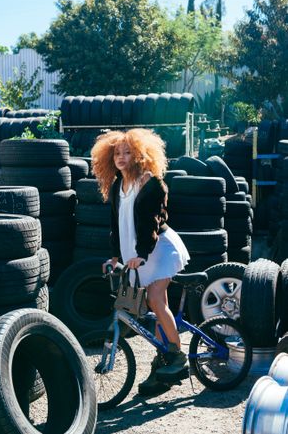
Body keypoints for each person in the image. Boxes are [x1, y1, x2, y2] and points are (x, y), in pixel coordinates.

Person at [91, 128, 190, 396]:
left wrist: (142, 254)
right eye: (116, 152)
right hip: (137, 253)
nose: (121, 157)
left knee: (156, 299)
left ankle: (177, 357)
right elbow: (116, 224)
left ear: (139, 155)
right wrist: (115, 256)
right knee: (155, 306)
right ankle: (163, 362)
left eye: (128, 152)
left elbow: (151, 223)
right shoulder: (116, 185)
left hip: (159, 249)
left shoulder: (149, 182)